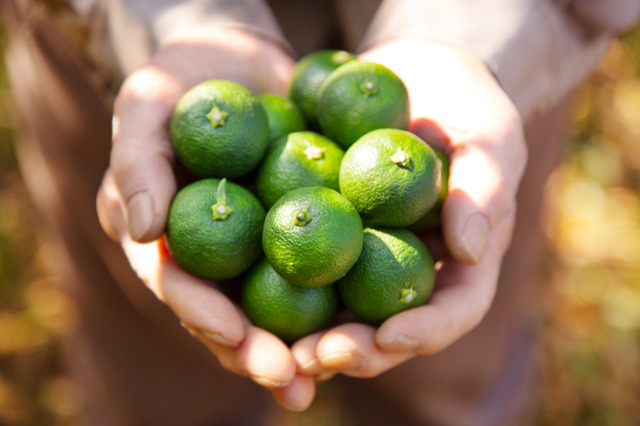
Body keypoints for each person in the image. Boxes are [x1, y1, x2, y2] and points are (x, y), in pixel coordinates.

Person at [3, 0, 639, 424]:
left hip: (470, 65)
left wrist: (476, 35)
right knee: (157, 373)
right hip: (134, 44)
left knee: (452, 372)